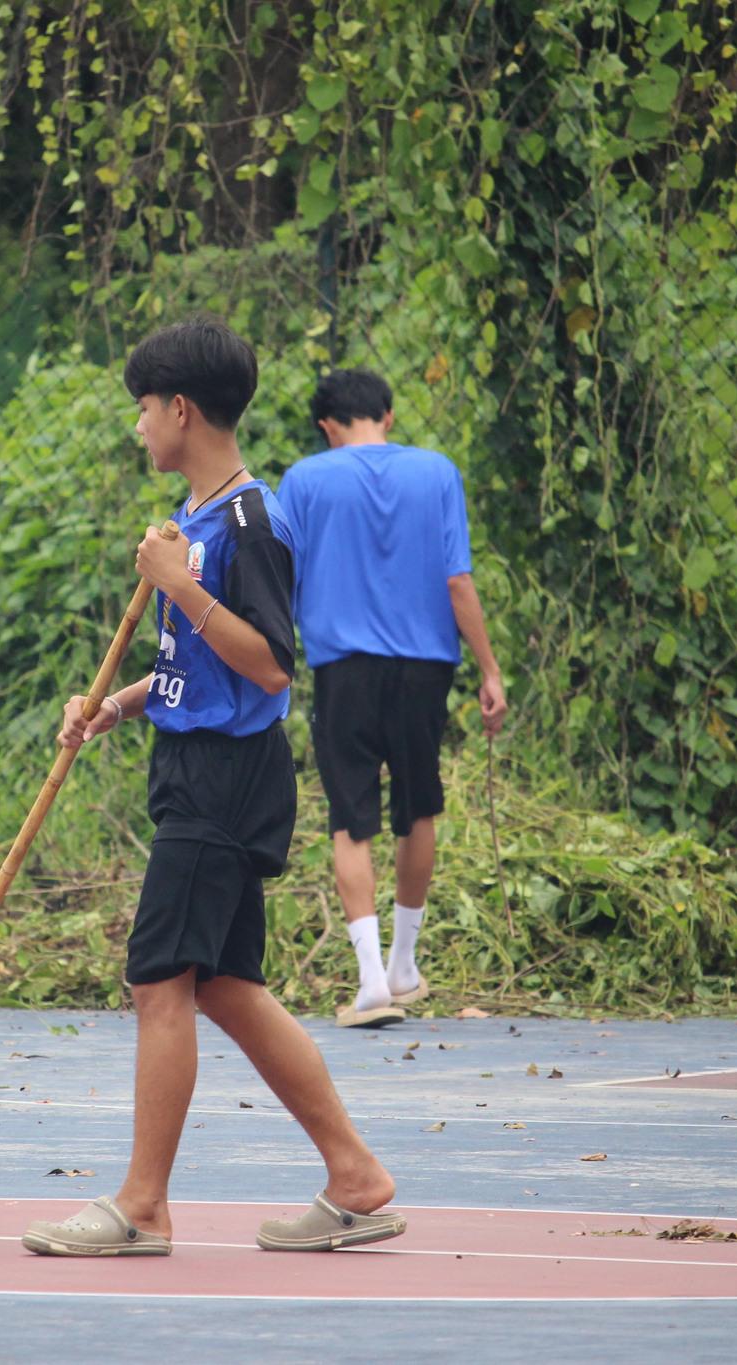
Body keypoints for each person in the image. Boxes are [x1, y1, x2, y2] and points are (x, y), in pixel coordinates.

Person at [23, 319, 404, 1258]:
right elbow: (201, 667)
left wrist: (179, 589)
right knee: (227, 988)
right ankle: (356, 1178)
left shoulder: (248, 523)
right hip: (195, 765)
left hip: (228, 780)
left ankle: (142, 1206)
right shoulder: (190, 525)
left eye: (144, 410)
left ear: (181, 410)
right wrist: (117, 704)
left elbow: (273, 665)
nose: (140, 427)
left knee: (159, 981)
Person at [278, 368, 508, 1029]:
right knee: (418, 805)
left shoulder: (305, 480)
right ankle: (406, 963)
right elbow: (457, 581)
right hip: (425, 667)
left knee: (351, 817)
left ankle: (371, 978)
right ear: (390, 414)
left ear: (327, 425)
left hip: (341, 667)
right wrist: (489, 669)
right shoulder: (436, 472)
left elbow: (283, 579)